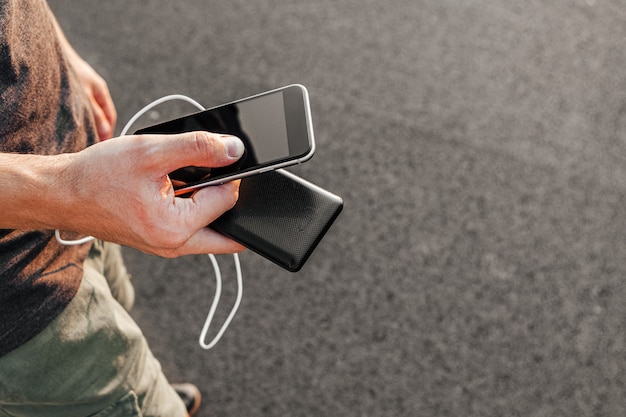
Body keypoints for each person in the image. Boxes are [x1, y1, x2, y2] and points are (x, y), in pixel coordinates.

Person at [0, 0, 245, 415]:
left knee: (120, 307)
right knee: (122, 392)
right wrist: (68, 190)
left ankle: (140, 386)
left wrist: (53, 45)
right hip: (24, 294)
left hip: (84, 169)